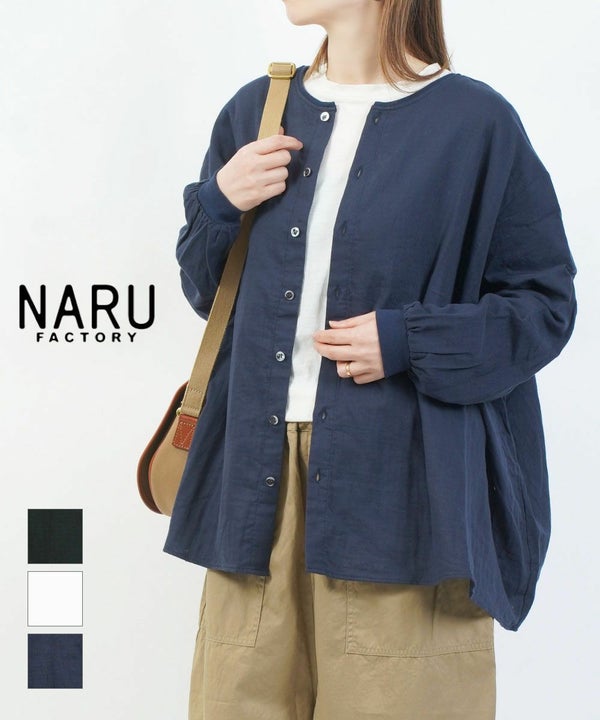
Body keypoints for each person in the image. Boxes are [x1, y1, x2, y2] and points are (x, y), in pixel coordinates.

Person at [163, 1, 578, 718]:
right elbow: (211, 295)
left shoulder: (476, 125)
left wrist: (410, 340)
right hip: (253, 490)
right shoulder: (256, 111)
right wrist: (220, 201)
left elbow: (544, 307)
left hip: (405, 491)